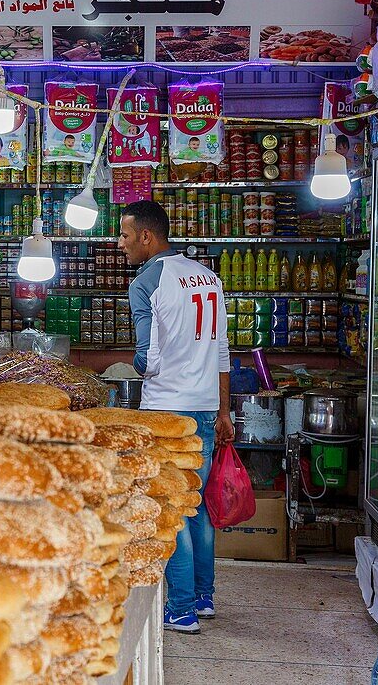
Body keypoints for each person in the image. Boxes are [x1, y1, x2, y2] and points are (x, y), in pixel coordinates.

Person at [117, 200, 233, 635]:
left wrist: (141, 361)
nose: (121, 244)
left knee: (172, 507)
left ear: (147, 236)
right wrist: (224, 410)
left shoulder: (147, 282)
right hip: (205, 407)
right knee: (197, 506)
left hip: (167, 409)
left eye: (126, 235)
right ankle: (204, 597)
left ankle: (181, 608)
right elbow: (222, 352)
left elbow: (149, 360)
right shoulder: (207, 277)